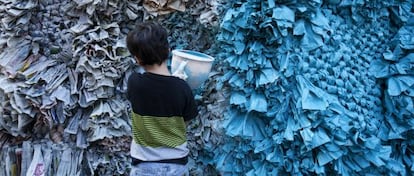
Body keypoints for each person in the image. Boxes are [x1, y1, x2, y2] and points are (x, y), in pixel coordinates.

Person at [126, 22, 198, 176]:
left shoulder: (134, 83)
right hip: (176, 163)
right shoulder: (182, 88)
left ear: (137, 59)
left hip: (143, 163)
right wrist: (178, 83)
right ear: (168, 50)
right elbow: (185, 122)